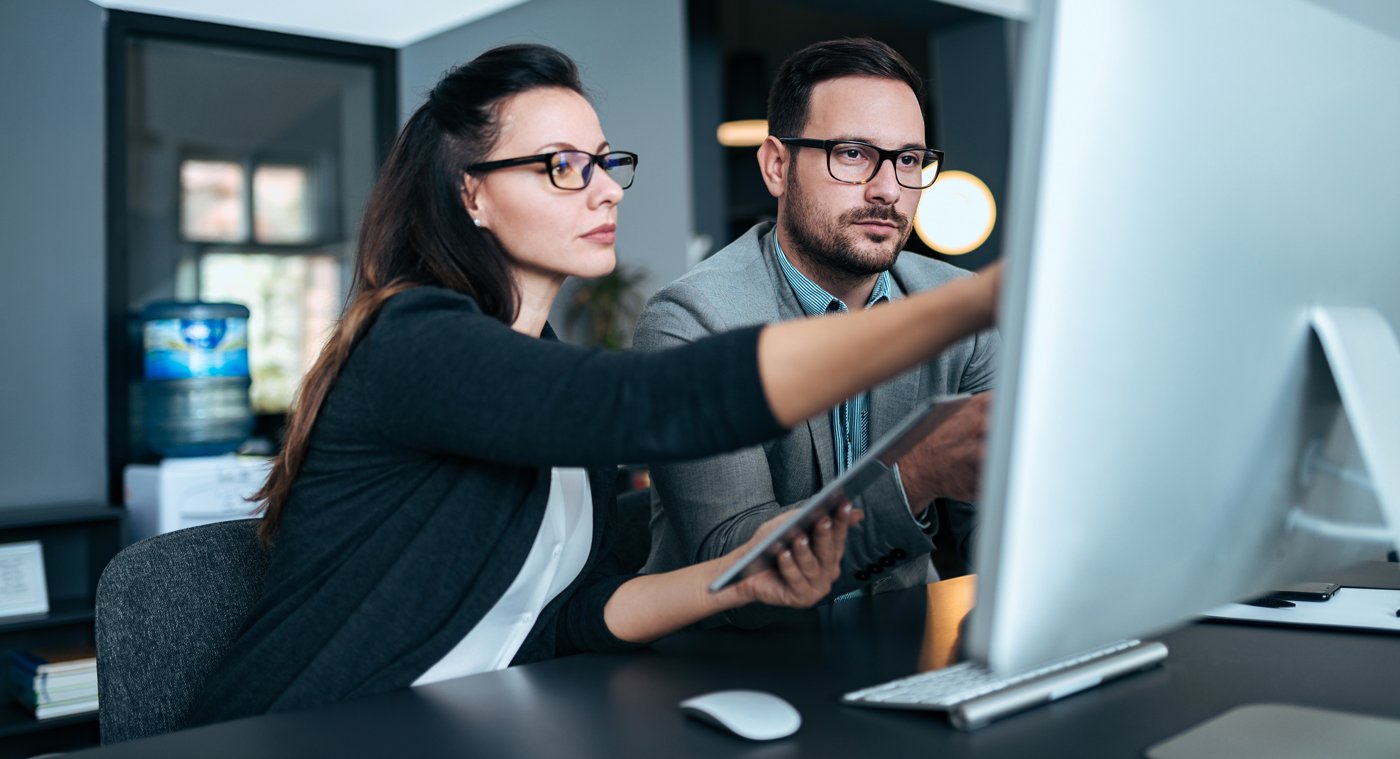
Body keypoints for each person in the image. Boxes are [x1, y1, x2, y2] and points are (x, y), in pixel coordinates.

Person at [187, 43, 999, 726]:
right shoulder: (417, 342)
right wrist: (978, 299)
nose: (608, 187)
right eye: (561, 167)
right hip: (307, 729)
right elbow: (657, 401)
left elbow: (558, 621)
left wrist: (739, 577)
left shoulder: (541, 361)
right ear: (471, 191)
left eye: (605, 162)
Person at [635, 38, 999, 625]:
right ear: (777, 165)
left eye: (908, 160)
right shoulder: (694, 322)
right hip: (734, 664)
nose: (887, 189)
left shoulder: (960, 311)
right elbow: (736, 569)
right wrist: (917, 474)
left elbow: (1004, 530)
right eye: (853, 153)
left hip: (902, 643)